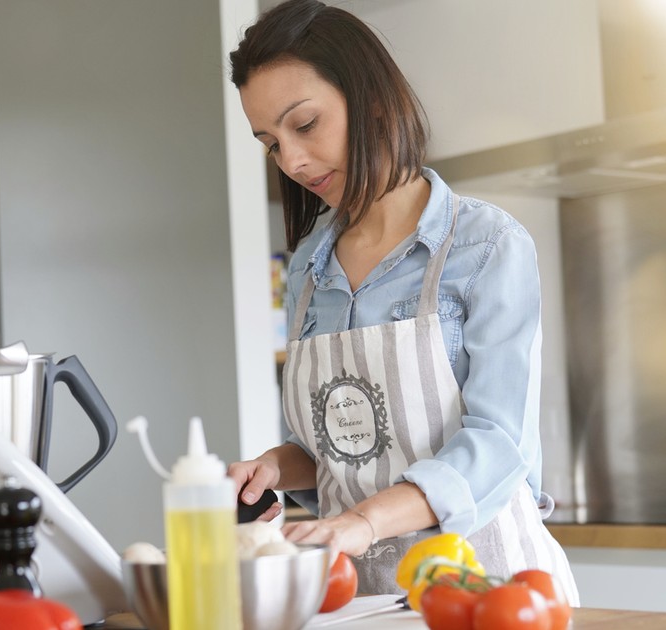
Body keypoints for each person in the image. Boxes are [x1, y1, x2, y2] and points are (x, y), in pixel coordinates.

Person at [225, 0, 580, 600]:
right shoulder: (308, 265)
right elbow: (343, 450)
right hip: (359, 598)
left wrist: (365, 521)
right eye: (271, 144)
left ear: (370, 99)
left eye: (304, 125)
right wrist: (275, 467)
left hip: (486, 588)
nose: (292, 161)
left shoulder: (486, 245)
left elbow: (500, 445)